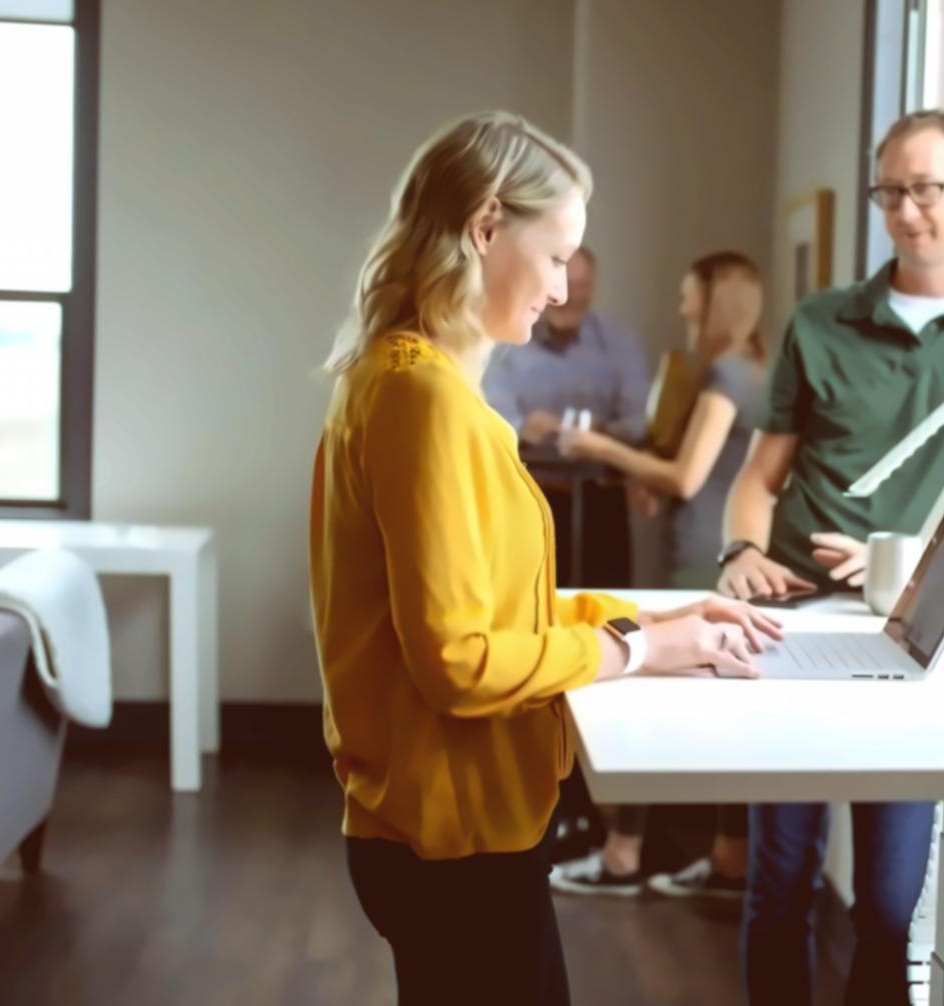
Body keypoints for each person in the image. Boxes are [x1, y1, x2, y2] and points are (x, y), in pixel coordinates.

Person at [308, 110, 780, 1006]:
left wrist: (650, 622)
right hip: (454, 838)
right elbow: (459, 661)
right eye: (557, 255)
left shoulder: (403, 379)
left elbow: (495, 616)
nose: (563, 289)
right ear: (485, 227)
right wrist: (639, 652)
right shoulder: (424, 399)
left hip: (438, 829)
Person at [717, 110, 944, 1004]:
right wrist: (740, 550)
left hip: (917, 644)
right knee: (778, 888)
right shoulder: (821, 322)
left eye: (926, 188)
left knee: (887, 906)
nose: (906, 211)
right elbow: (758, 479)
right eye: (889, 192)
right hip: (791, 635)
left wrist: (916, 561)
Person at [546, 251, 769, 899]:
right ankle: (724, 858)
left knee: (649, 690)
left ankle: (626, 854)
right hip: (708, 551)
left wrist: (598, 449)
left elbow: (685, 477)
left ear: (714, 299)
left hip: (702, 559)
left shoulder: (728, 372)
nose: (680, 307)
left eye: (687, 294)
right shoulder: (749, 369)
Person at [482, 246, 650, 588]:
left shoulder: (620, 342)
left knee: (607, 606)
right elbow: (490, 420)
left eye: (582, 285)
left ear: (593, 288)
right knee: (529, 605)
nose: (571, 296)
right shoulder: (506, 342)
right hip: (528, 496)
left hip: (602, 502)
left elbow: (639, 422)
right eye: (564, 283)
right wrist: (523, 428)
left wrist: (599, 436)